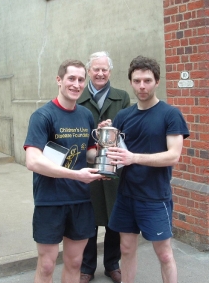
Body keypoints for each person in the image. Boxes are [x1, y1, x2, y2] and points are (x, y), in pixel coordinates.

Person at [105, 56, 189, 283]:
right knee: (126, 249)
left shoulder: (170, 114)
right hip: (126, 195)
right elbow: (115, 152)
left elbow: (173, 156)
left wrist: (134, 158)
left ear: (157, 81)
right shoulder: (124, 116)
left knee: (163, 253)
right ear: (131, 82)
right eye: (137, 81)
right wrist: (106, 137)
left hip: (154, 196)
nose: (142, 86)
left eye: (147, 80)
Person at [24, 59, 105, 283]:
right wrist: (76, 175)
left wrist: (108, 153)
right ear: (59, 80)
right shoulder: (43, 116)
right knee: (48, 265)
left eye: (81, 80)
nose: (76, 84)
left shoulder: (86, 115)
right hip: (50, 200)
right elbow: (33, 161)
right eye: (71, 78)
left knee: (75, 262)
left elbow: (88, 154)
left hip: (80, 200)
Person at [77, 51, 130, 283]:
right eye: (96, 69)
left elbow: (128, 130)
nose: (100, 73)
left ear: (110, 71)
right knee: (89, 217)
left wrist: (113, 129)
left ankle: (112, 264)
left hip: (113, 167)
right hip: (86, 164)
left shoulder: (122, 97)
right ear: (89, 71)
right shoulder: (78, 96)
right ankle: (86, 267)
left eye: (104, 69)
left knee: (113, 218)